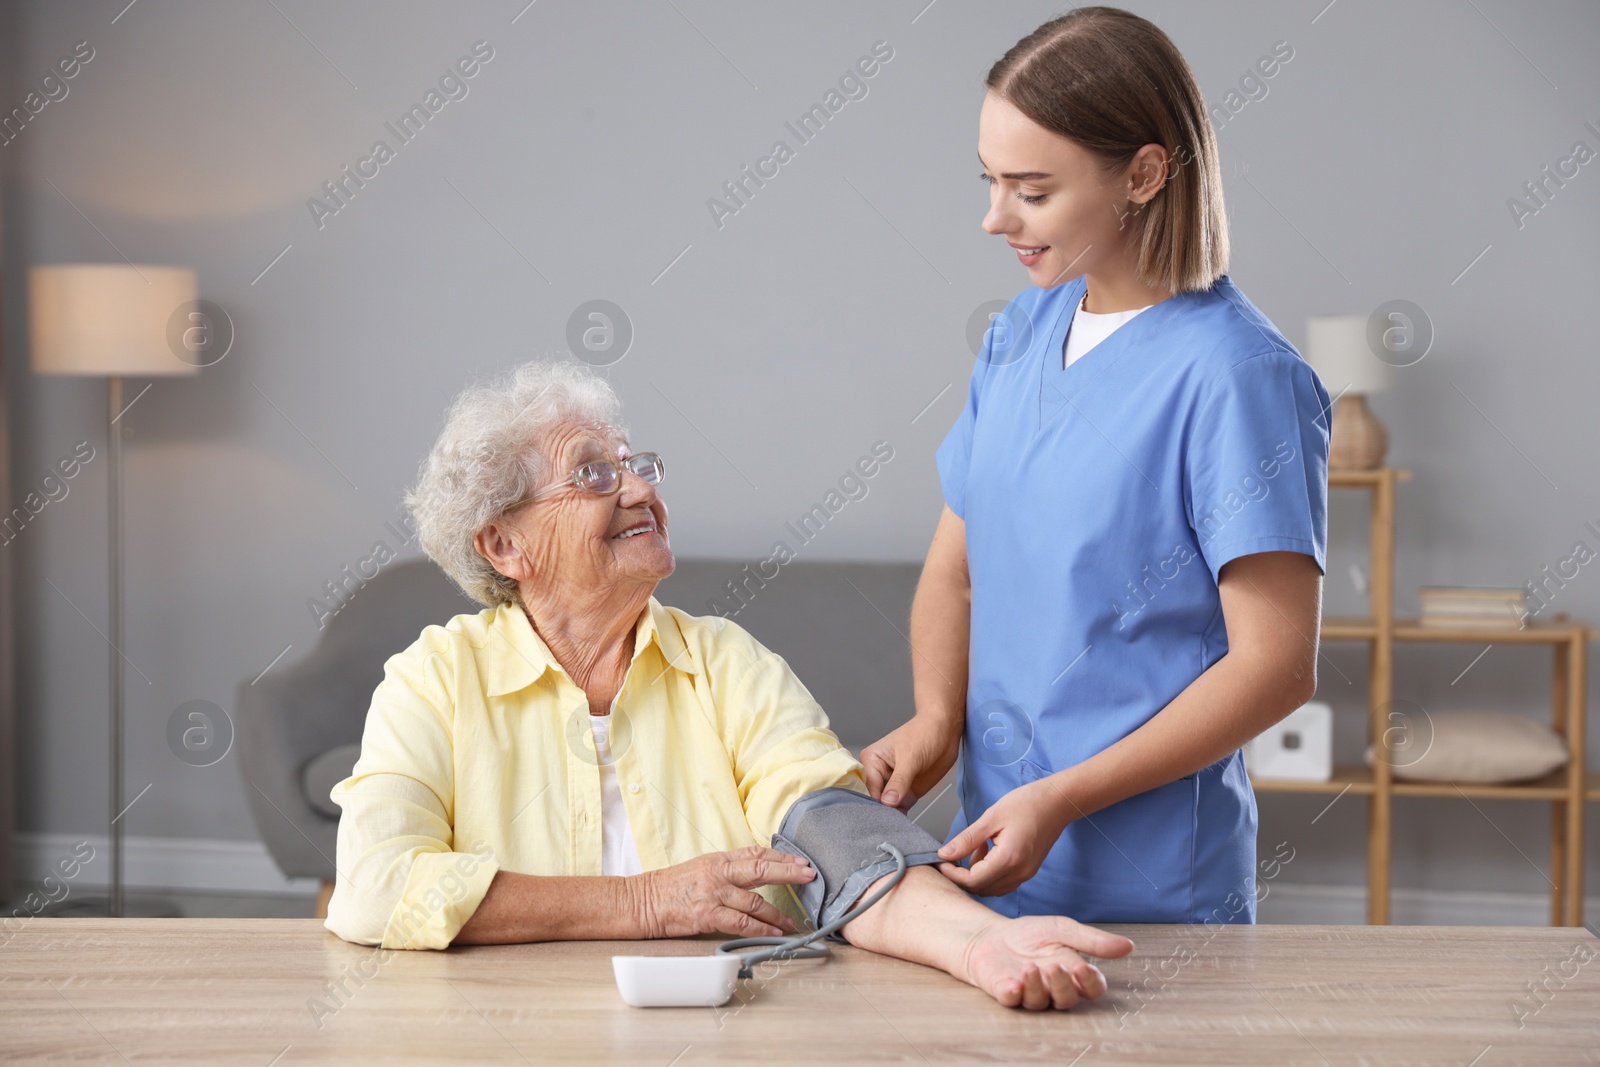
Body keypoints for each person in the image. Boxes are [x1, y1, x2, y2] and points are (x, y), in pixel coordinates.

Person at [323, 360, 1134, 1010]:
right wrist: (645, 904)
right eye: (596, 475)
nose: (642, 491)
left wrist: (975, 943)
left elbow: (836, 838)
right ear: (504, 543)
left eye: (638, 466)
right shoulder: (432, 682)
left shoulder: (726, 663)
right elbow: (373, 885)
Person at [861, 6, 1330, 925]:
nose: (994, 218)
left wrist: (1064, 797)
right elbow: (956, 572)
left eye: (1031, 191)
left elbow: (1276, 667)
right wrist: (934, 720)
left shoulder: (1239, 377)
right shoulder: (1020, 331)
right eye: (991, 182)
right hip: (990, 870)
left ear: (1145, 174)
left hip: (1149, 894)